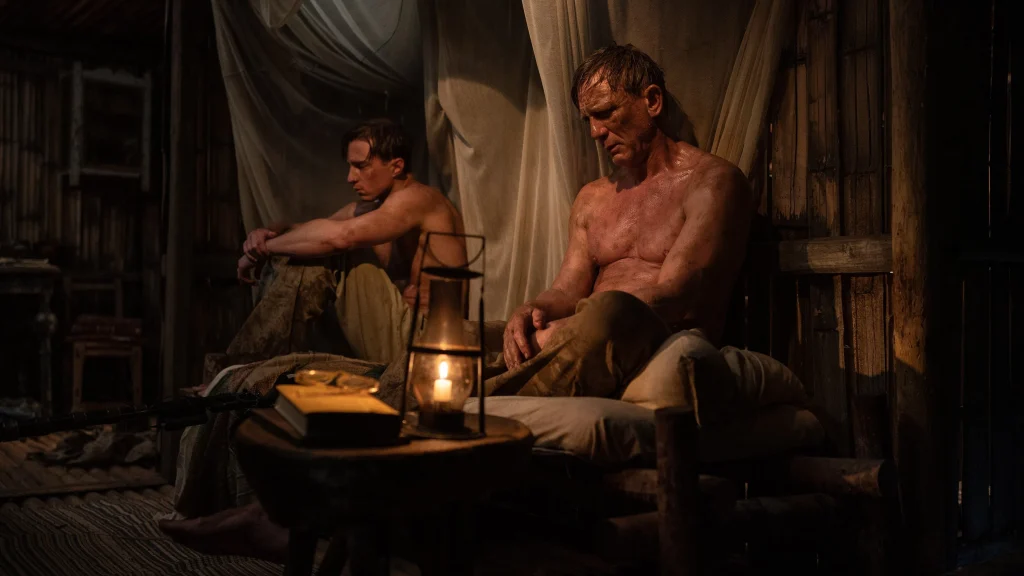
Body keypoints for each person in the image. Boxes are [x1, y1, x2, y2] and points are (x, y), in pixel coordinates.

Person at [486, 43, 756, 399]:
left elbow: (676, 294)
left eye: (605, 113)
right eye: (588, 120)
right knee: (464, 336)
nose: (595, 132)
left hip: (647, 336)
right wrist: (531, 310)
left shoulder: (711, 182)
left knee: (609, 311)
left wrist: (576, 326)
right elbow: (566, 290)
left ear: (652, 101)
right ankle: (463, 394)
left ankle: (479, 398)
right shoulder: (593, 198)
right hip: (583, 332)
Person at [235, 118, 467, 363]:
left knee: (337, 251)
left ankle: (248, 361)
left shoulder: (419, 199)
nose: (350, 177)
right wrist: (265, 234)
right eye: (350, 166)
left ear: (396, 166)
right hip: (398, 334)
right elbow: (305, 231)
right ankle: (254, 360)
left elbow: (340, 238)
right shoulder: (376, 210)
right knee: (307, 246)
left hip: (428, 343)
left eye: (360, 166)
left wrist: (263, 250)